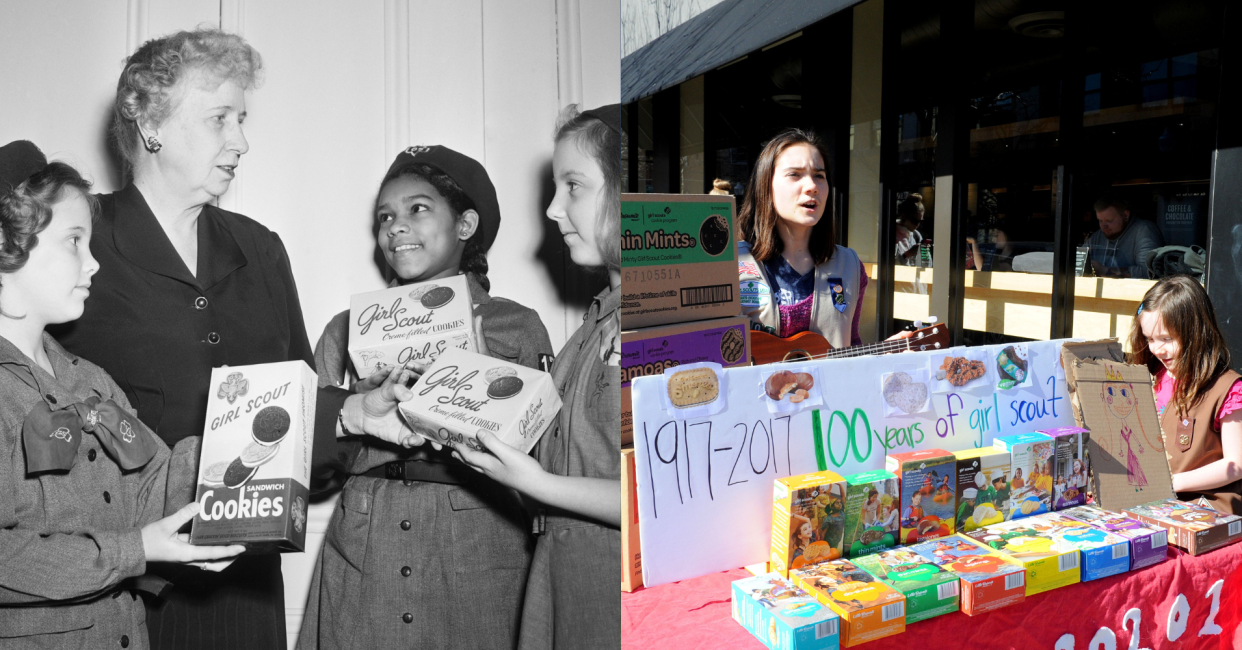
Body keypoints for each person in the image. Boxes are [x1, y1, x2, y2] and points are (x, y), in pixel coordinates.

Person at [52, 29, 405, 649]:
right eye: (220, 119)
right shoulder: (83, 248)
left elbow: (296, 429)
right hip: (121, 604)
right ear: (150, 123)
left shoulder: (261, 250)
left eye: (241, 120)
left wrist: (351, 415)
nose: (242, 141)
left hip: (245, 596)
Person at [297, 146, 552, 649]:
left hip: (478, 540)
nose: (395, 226)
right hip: (367, 540)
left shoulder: (516, 327)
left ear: (465, 225)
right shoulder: (345, 330)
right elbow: (305, 459)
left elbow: (545, 459)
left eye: (418, 209)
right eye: (385, 216)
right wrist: (354, 409)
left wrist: (480, 390)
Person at [0, 141, 244, 649]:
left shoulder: (92, 381)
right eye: (73, 242)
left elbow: (156, 483)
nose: (93, 265)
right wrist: (134, 549)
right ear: (6, 251)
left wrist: (248, 432)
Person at [453, 104, 621, 650]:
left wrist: (537, 484)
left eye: (574, 185)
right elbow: (555, 462)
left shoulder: (658, 321)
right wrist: (484, 386)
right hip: (563, 582)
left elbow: (663, 498)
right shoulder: (596, 322)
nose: (552, 209)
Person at [737, 129, 911, 347]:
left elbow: (851, 347)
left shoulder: (849, 265)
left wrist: (882, 356)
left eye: (819, 176)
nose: (812, 186)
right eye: (795, 174)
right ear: (765, 185)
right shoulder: (731, 265)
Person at [1130, 275, 1242, 514]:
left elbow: (1236, 465)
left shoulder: (1228, 388)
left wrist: (1172, 482)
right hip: (1149, 500)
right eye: (1149, 339)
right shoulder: (1151, 375)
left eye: (1167, 339)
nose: (1157, 349)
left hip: (1203, 508)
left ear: (1195, 333)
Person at [1086, 197, 1164, 279]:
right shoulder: (1098, 236)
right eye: (1100, 221)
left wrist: (1105, 271)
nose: (1104, 226)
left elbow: (1149, 272)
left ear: (1126, 215)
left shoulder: (1144, 231)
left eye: (1109, 220)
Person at [895, 193, 927, 266]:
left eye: (920, 221)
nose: (917, 225)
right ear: (904, 216)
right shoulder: (892, 234)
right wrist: (907, 254)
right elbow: (889, 265)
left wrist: (925, 253)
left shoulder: (916, 236)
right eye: (914, 221)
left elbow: (925, 266)